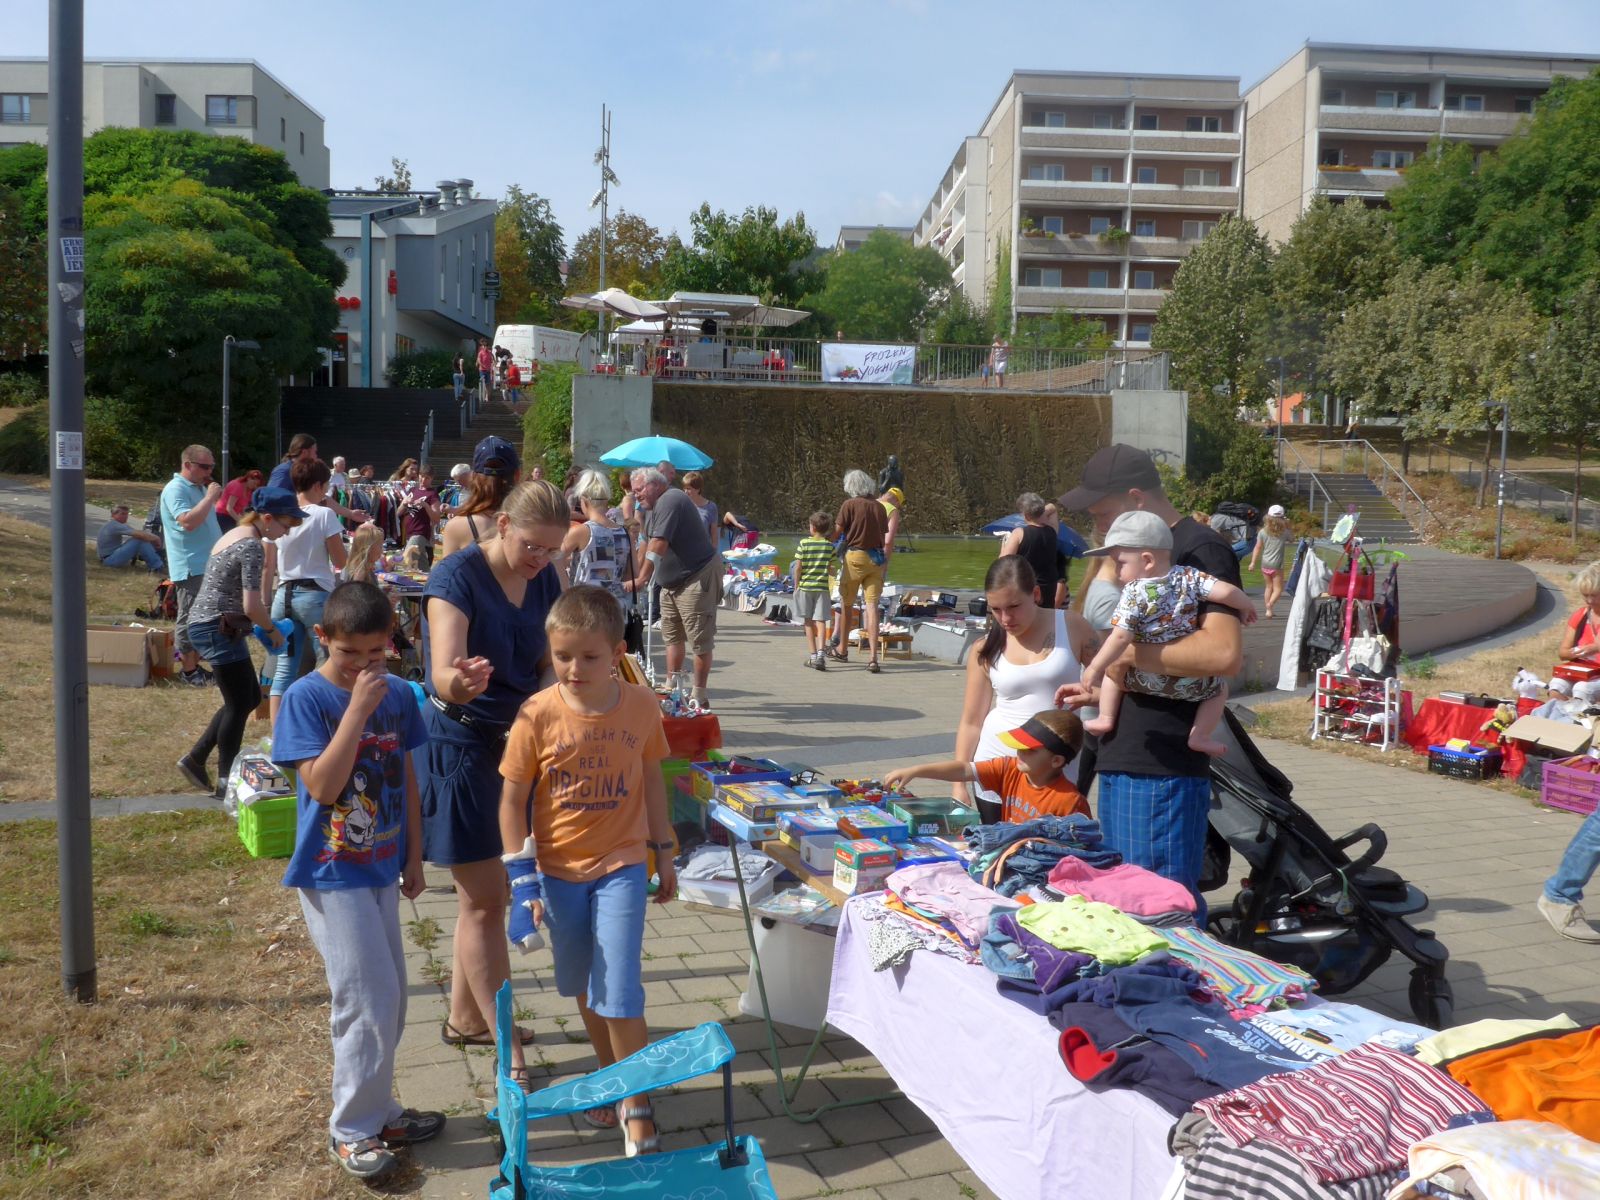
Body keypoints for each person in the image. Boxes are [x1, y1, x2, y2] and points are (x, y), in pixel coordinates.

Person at [270, 581, 444, 1180]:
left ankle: (380, 1110)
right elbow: (322, 785)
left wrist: (414, 855)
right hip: (332, 869)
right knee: (364, 998)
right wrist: (357, 711)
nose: (366, 666)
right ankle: (350, 1129)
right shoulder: (307, 698)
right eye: (351, 654)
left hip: (382, 864)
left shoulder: (398, 695)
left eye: (377, 653)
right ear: (323, 638)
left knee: (390, 997)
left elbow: (408, 777)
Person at [497, 585, 676, 1148]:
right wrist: (521, 878)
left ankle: (637, 1100)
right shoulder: (536, 714)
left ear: (618, 652)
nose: (574, 669)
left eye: (590, 657)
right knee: (584, 983)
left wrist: (665, 849)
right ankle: (609, 1073)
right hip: (556, 872)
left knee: (618, 983)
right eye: (563, 656)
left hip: (623, 862)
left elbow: (653, 779)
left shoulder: (642, 705)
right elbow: (511, 801)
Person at [419, 480, 566, 1078]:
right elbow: (441, 675)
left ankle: (467, 1019)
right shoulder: (455, 577)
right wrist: (463, 681)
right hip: (463, 745)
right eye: (533, 545)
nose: (541, 559)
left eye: (552, 550)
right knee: (483, 901)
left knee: (488, 898)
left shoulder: (544, 577)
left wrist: (558, 699)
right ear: (502, 524)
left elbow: (546, 660)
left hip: (517, 746)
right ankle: (508, 1047)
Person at [1056, 444, 1244, 912]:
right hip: (1128, 753)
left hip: (1162, 763)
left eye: (1103, 514)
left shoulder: (1199, 550)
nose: (1100, 527)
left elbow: (1222, 654)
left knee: (1158, 906)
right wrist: (1105, 685)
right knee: (1125, 900)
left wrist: (1120, 656)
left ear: (1136, 499)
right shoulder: (1141, 558)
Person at [1079, 511, 1257, 758]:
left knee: (1112, 673)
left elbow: (1120, 638)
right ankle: (1200, 735)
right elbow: (1225, 592)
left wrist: (1095, 667)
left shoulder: (1134, 592)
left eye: (1120, 563)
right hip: (1191, 683)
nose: (1117, 571)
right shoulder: (1189, 575)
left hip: (1143, 679)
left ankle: (1105, 718)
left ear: (1147, 560)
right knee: (1219, 690)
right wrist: (1246, 605)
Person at [175, 486, 301, 796]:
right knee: (238, 703)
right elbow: (252, 606)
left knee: (249, 697)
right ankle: (225, 782)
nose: (286, 533)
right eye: (286, 525)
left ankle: (196, 758)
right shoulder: (252, 546)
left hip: (214, 625)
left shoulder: (233, 534)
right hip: (217, 626)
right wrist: (272, 631)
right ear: (267, 518)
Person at [954, 556, 1096, 821]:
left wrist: (1093, 696)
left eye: (1014, 606)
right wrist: (958, 783)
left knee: (1052, 843)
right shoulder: (984, 648)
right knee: (998, 845)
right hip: (997, 767)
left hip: (1055, 767)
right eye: (996, 610)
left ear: (1036, 594)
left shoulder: (1072, 625)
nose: (1006, 618)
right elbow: (971, 722)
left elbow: (1112, 681)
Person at [885, 709, 1087, 823]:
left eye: (1029, 750)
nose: (1019, 752)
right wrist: (916, 770)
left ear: (1056, 761)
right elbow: (964, 770)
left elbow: (1081, 850)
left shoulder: (1070, 802)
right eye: (1019, 746)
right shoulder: (1009, 768)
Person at [625, 468, 719, 708]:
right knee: (672, 635)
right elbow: (646, 543)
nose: (636, 495)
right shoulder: (652, 509)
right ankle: (671, 686)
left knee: (699, 637)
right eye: (634, 491)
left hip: (696, 577)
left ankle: (699, 694)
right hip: (672, 583)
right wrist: (635, 573)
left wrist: (642, 578)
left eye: (639, 490)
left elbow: (659, 543)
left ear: (656, 485)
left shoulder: (670, 499)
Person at [265, 459, 348, 723]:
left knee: (284, 670)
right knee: (327, 663)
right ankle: (322, 723)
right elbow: (340, 560)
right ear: (318, 486)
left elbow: (268, 562)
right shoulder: (324, 515)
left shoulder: (279, 514)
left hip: (283, 595)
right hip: (314, 596)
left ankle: (279, 733)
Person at [160, 444, 224, 686]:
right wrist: (209, 498)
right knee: (189, 617)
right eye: (205, 467)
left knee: (204, 617)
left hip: (207, 564)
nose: (209, 472)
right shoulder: (175, 489)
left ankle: (195, 664)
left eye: (211, 466)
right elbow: (187, 522)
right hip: (191, 565)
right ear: (187, 465)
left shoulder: (198, 488)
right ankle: (188, 671)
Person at [830, 469, 890, 673]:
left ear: (851, 487)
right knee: (872, 607)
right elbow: (883, 535)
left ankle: (842, 650)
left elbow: (837, 532)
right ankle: (873, 658)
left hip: (855, 558)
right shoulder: (879, 507)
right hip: (877, 560)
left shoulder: (849, 504)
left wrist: (822, 543)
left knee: (847, 605)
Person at [440, 436, 522, 559]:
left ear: (473, 476)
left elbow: (448, 571)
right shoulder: (532, 524)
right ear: (517, 475)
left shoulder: (456, 528)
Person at [563, 468, 634, 603]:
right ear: (606, 501)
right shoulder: (625, 533)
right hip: (615, 606)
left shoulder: (581, 531)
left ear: (584, 500)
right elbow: (632, 574)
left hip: (584, 604)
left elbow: (553, 559)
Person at [1000, 492, 1066, 608]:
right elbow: (1052, 508)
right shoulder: (1052, 531)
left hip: (1027, 589)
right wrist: (1038, 513)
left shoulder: (1019, 533)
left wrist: (1004, 544)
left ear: (1025, 515)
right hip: (1048, 588)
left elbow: (1003, 563)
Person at [792, 511, 835, 671]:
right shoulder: (829, 546)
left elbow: (798, 567)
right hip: (822, 588)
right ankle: (822, 655)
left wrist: (796, 585)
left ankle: (813, 656)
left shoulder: (804, 543)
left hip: (805, 587)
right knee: (821, 621)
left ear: (813, 527)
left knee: (808, 622)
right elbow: (831, 569)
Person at [1247, 504, 1293, 619]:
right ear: (1282, 518)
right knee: (1278, 589)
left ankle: (1269, 611)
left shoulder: (1262, 532)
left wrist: (1253, 562)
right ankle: (1270, 604)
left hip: (1265, 564)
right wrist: (1289, 526)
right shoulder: (1284, 532)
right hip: (1277, 565)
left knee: (1268, 587)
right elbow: (1292, 540)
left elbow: (1257, 547)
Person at [681, 471, 746, 544]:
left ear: (698, 489)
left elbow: (714, 534)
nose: (685, 492)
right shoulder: (683, 505)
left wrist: (714, 551)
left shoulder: (711, 507)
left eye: (688, 488)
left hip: (704, 549)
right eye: (684, 489)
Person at [96, 503, 164, 572]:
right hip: (109, 560)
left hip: (108, 558)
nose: (125, 516)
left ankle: (156, 562)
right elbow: (140, 534)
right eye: (122, 514)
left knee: (138, 539)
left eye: (127, 514)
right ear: (113, 515)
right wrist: (157, 538)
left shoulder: (112, 524)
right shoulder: (115, 525)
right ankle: (157, 566)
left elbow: (137, 532)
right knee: (139, 540)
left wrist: (150, 538)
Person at [399, 463, 442, 567]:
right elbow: (398, 513)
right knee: (422, 567)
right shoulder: (412, 490)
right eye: (421, 476)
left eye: (427, 478)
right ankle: (428, 576)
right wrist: (404, 503)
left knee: (407, 561)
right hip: (409, 533)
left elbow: (437, 519)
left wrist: (426, 506)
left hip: (420, 533)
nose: (423, 480)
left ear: (431, 479)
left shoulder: (433, 494)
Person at [1558, 562, 1600, 662]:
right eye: (1585, 595)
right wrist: (1579, 652)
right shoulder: (1581, 615)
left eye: (1594, 595)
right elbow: (1562, 653)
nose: (1590, 600)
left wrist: (1595, 648)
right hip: (1583, 668)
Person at [216, 468, 264, 533]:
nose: (255, 486)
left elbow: (242, 509)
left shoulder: (249, 491)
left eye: (257, 484)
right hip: (223, 514)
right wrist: (241, 521)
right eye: (254, 482)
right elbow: (229, 508)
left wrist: (246, 519)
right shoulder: (237, 486)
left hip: (231, 515)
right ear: (248, 478)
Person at [879, 485, 905, 566]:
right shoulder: (892, 510)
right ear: (897, 502)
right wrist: (885, 565)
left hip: (853, 554)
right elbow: (888, 541)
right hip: (875, 557)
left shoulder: (869, 503)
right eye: (898, 506)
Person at [476, 338, 493, 403]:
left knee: (488, 384)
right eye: (485, 347)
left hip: (488, 370)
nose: (487, 348)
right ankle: (484, 396)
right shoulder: (481, 353)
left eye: (488, 347)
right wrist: (483, 366)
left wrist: (492, 364)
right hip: (482, 370)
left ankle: (487, 397)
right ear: (484, 347)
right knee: (483, 382)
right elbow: (479, 361)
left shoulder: (489, 353)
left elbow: (491, 361)